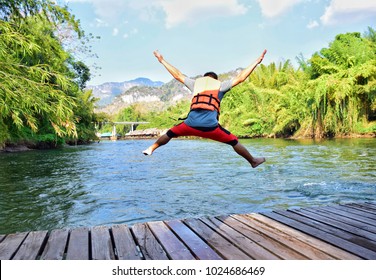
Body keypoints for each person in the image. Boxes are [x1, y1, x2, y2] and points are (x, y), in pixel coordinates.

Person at [143, 49, 267, 168]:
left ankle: (151, 148)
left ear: (203, 78)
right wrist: (257, 61)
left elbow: (177, 75)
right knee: (234, 141)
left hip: (190, 124)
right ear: (216, 80)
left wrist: (162, 60)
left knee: (170, 133)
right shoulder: (220, 86)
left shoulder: (195, 84)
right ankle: (253, 161)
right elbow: (240, 77)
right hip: (211, 127)